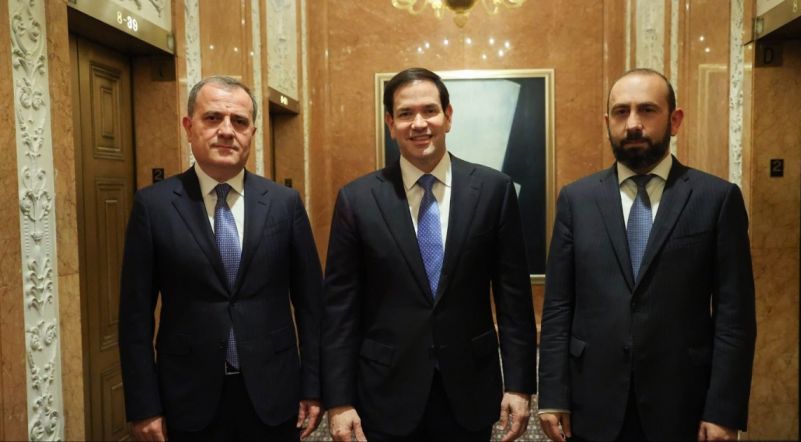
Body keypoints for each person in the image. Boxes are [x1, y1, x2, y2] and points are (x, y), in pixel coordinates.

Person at [537, 68, 757, 441]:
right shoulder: (576, 200)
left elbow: (734, 317)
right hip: (592, 402)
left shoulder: (716, 199)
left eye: (648, 110)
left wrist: (724, 410)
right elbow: (559, 306)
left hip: (683, 403)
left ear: (675, 120)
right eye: (621, 112)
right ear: (607, 123)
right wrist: (553, 396)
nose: (633, 124)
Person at [321, 67, 537, 441]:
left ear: (448, 117)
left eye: (430, 111)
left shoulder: (493, 190)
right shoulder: (357, 199)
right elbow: (340, 307)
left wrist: (519, 385)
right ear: (391, 124)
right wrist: (339, 401)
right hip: (385, 391)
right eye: (405, 113)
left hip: (469, 388)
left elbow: (513, 298)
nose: (419, 123)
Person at [118, 75, 323, 441]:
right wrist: (144, 404)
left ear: (252, 133)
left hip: (275, 391)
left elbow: (312, 306)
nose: (227, 131)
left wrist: (314, 385)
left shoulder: (284, 204)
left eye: (239, 121)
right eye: (213, 118)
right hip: (187, 396)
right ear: (188, 126)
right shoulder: (154, 206)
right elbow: (134, 316)